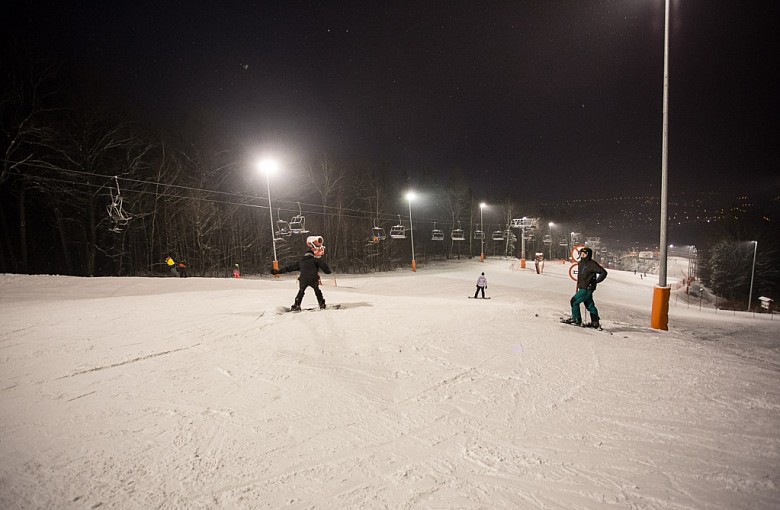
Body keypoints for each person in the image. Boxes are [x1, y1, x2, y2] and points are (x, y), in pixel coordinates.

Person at [273, 235, 332, 310]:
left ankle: (297, 304)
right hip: (313, 279)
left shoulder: (301, 262)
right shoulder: (315, 260)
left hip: (303, 279)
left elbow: (289, 268)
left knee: (301, 291)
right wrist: (327, 271)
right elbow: (323, 265)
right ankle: (321, 304)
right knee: (317, 291)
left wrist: (278, 271)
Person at [564, 246, 607, 328]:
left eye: (585, 254)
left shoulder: (592, 264)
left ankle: (576, 319)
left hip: (587, 288)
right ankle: (595, 322)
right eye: (581, 253)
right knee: (589, 305)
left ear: (588, 254)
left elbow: (603, 272)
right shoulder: (581, 263)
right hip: (583, 286)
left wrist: (596, 281)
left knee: (574, 301)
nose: (583, 255)